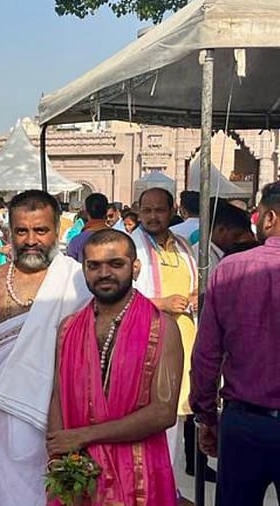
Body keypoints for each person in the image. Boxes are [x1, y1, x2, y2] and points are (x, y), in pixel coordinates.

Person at [0, 190, 91, 506]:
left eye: (41, 230)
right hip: (3, 418)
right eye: (22, 231)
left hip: (64, 424)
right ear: (10, 232)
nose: (31, 239)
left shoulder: (78, 280)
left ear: (57, 229)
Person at [47, 229, 182, 504]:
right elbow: (58, 395)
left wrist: (83, 436)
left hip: (139, 472)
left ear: (135, 267)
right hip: (79, 471)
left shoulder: (162, 327)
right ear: (83, 269)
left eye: (115, 264)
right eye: (93, 266)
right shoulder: (68, 328)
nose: (104, 273)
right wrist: (59, 455)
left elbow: (163, 413)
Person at [190, 181, 280, 506]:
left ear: (268, 218)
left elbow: (207, 355)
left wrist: (205, 416)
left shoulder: (231, 268)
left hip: (245, 423)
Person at [130, 187, 197, 496]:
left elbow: (195, 283)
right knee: (151, 412)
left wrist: (196, 297)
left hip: (184, 338)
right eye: (147, 210)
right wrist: (160, 303)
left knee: (177, 415)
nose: (153, 216)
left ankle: (167, 485)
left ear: (172, 211)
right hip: (145, 340)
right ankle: (148, 488)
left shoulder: (183, 245)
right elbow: (112, 294)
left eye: (160, 210)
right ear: (139, 212)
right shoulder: (130, 246)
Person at [67, 193, 110, 263]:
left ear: (87, 212)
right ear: (106, 211)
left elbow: (71, 266)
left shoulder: (77, 240)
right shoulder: (119, 238)